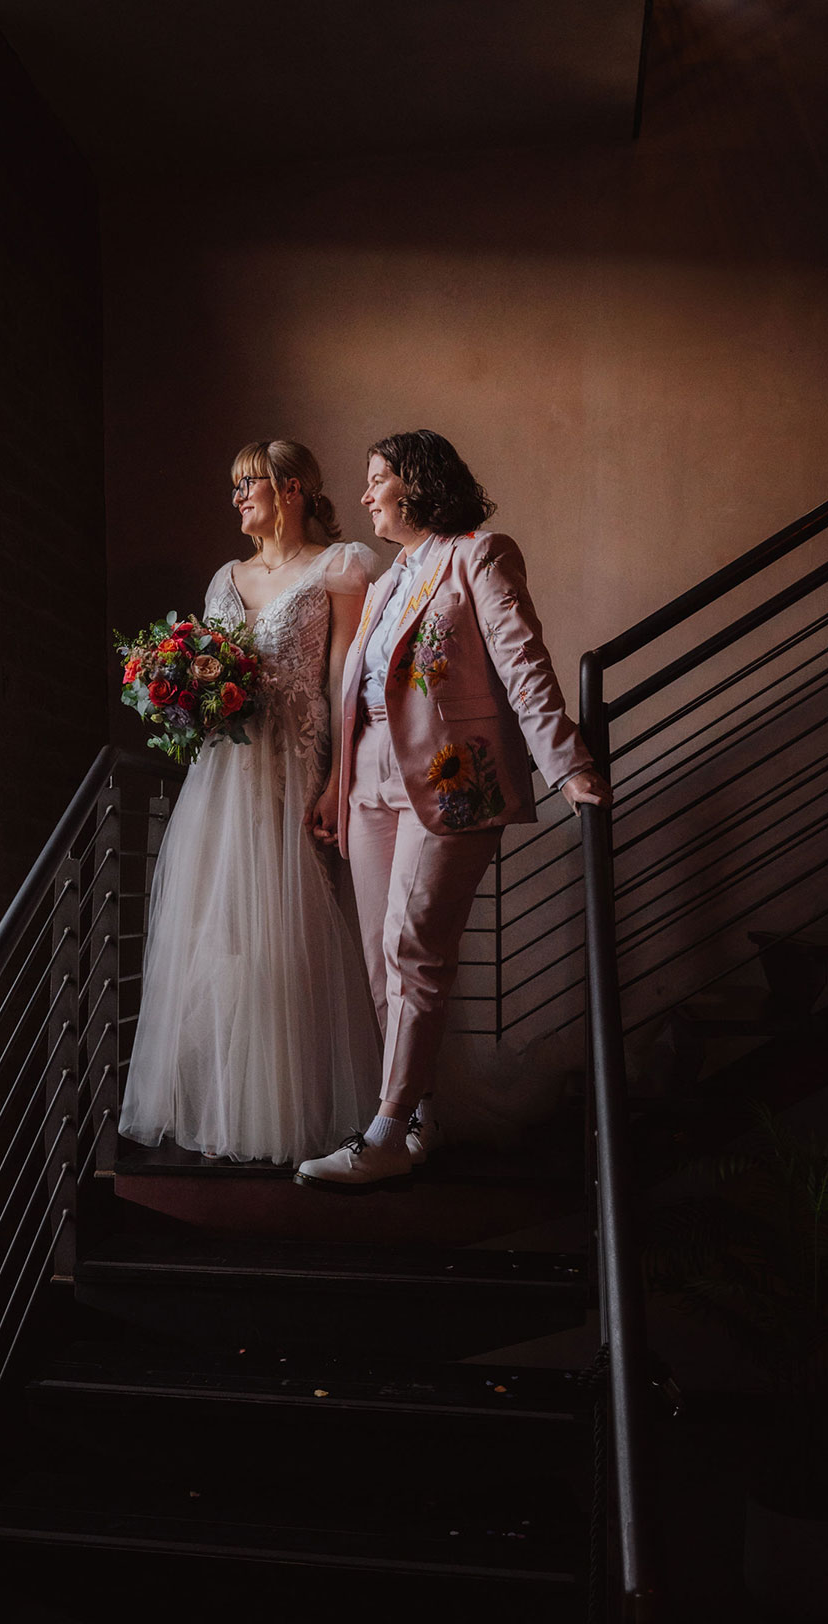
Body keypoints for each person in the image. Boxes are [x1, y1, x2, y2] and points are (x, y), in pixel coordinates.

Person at [296, 430, 612, 1193]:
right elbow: (362, 697)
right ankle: (419, 1117)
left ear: (418, 483)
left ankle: (382, 1130)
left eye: (377, 479)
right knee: (380, 954)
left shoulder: (480, 553)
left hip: (450, 782)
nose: (366, 494)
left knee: (412, 948)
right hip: (370, 781)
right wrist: (339, 786)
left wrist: (567, 763)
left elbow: (523, 663)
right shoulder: (390, 577)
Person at [120, 439, 382, 1165]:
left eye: (250, 485)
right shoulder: (225, 577)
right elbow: (216, 671)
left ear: (291, 489)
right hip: (223, 774)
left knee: (295, 930)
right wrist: (183, 694)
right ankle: (229, 1101)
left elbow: (342, 683)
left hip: (295, 768)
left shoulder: (340, 567)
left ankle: (305, 1107)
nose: (238, 498)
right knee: (221, 930)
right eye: (234, 487)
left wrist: (336, 781)